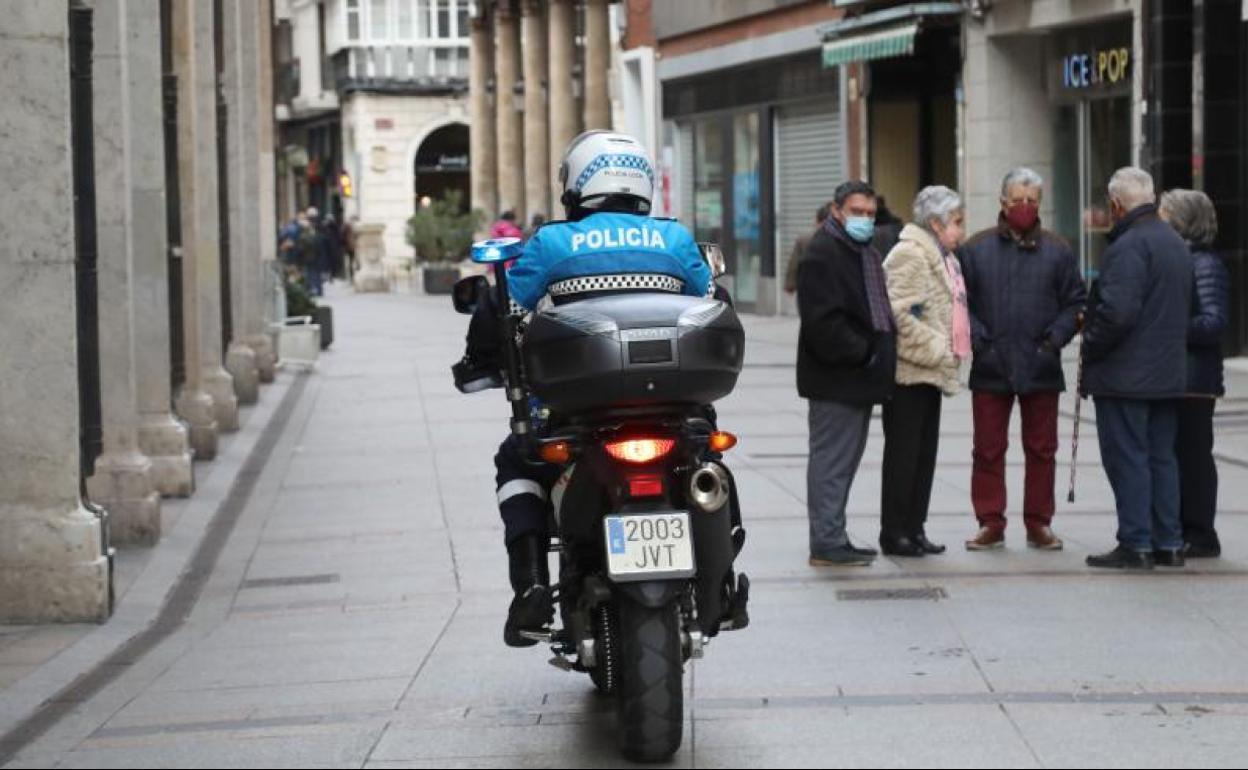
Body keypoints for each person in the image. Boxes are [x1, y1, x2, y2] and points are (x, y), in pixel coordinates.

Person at [463, 131, 714, 647]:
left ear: (576, 183)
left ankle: (531, 586)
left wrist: (479, 360)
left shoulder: (554, 242)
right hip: (671, 406)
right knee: (708, 462)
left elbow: (501, 307)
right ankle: (721, 575)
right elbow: (713, 302)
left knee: (519, 462)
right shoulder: (674, 239)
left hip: (580, 412)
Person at [958, 168, 1086, 551]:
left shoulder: (1059, 249)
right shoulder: (975, 249)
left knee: (1043, 449)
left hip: (1040, 364)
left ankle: (1039, 523)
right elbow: (960, 302)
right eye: (1018, 200)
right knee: (987, 449)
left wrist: (1054, 341)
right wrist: (983, 343)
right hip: (992, 364)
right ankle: (990, 521)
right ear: (1002, 203)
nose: (1025, 208)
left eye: (1032, 201)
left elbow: (1076, 303)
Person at [1082, 167, 1192, 570]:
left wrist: (1090, 343)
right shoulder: (1175, 243)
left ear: (1116, 204)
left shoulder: (1128, 247)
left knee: (1128, 457)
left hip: (1126, 375)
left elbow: (1118, 313)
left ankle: (1137, 542)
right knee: (1162, 458)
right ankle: (1170, 541)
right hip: (1166, 372)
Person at [797, 181, 896, 567]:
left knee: (843, 462)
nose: (865, 220)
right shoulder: (823, 253)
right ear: (837, 210)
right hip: (835, 378)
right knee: (831, 463)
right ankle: (825, 541)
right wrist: (866, 352)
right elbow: (823, 323)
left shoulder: (859, 251)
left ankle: (833, 535)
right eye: (857, 212)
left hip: (854, 379)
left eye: (870, 214)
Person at [878, 186, 969, 557]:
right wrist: (939, 349)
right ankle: (895, 531)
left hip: (931, 371)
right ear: (935, 222)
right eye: (957, 222)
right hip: (910, 372)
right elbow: (900, 314)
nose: (961, 230)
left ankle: (915, 528)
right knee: (904, 456)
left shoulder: (943, 256)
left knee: (923, 456)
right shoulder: (910, 255)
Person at [1160, 189, 1228, 559]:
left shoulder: (1204, 264)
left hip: (1195, 381)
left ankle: (1201, 533)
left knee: (1194, 457)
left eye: (1166, 216)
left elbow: (1214, 322)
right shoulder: (1180, 260)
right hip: (1176, 376)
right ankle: (1181, 527)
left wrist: (1167, 326)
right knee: (1177, 455)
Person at [784, 204, 830, 295]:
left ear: (817, 221)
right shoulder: (841, 239)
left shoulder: (804, 239)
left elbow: (794, 264)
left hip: (810, 287)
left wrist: (790, 285)